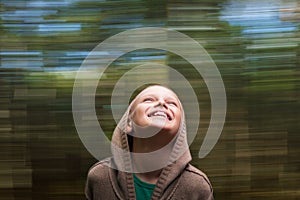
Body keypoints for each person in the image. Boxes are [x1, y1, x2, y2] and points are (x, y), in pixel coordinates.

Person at [85, 85, 214, 200]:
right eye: (149, 100)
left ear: (180, 128)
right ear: (129, 123)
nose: (162, 102)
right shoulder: (99, 177)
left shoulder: (197, 186)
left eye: (172, 103)